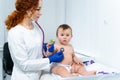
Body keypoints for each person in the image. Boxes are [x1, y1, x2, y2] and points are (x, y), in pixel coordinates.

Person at [4, 0, 64, 80]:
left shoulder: (36, 28)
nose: (41, 13)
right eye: (38, 9)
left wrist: (45, 49)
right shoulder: (15, 33)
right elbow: (24, 64)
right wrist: (50, 60)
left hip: (39, 74)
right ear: (28, 9)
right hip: (24, 77)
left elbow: (37, 54)